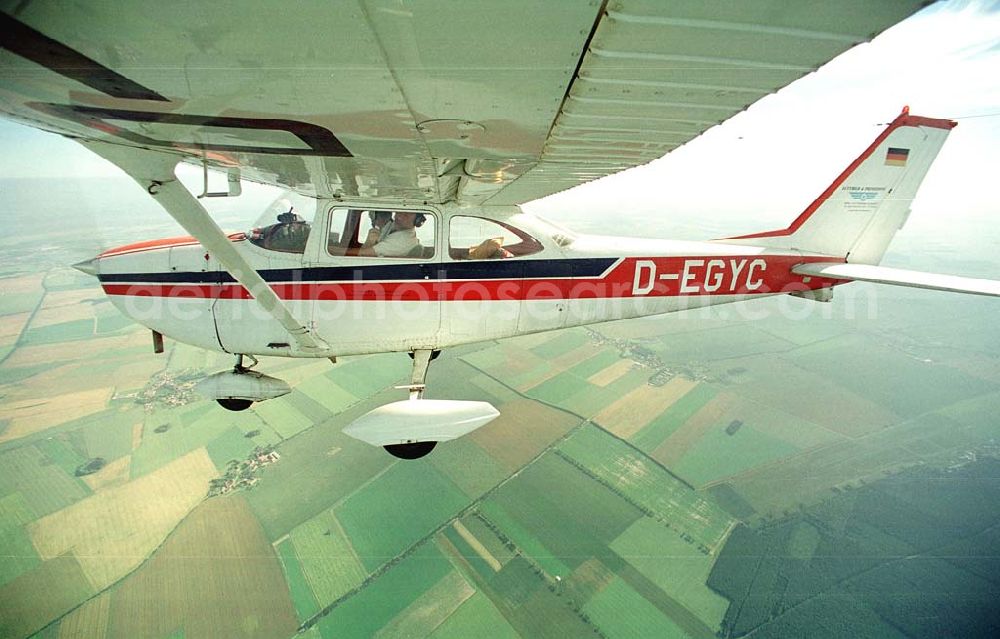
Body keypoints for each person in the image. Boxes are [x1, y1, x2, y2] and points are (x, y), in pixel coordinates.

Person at [359, 211, 425, 257]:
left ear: (417, 221)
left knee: (356, 273)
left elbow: (362, 255)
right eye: (399, 212)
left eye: (406, 215)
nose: (399, 217)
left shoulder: (401, 242)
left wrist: (368, 242)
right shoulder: (399, 228)